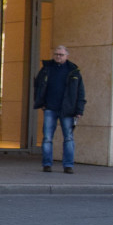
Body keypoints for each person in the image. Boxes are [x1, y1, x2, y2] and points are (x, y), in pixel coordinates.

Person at [33, 44, 85, 173]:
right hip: (50, 108)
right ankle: (47, 164)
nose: (58, 57)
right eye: (56, 54)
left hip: (67, 110)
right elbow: (38, 86)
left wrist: (79, 110)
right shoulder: (46, 69)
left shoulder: (74, 71)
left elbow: (80, 92)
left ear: (67, 56)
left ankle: (68, 166)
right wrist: (41, 103)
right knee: (47, 138)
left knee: (68, 137)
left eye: (61, 55)